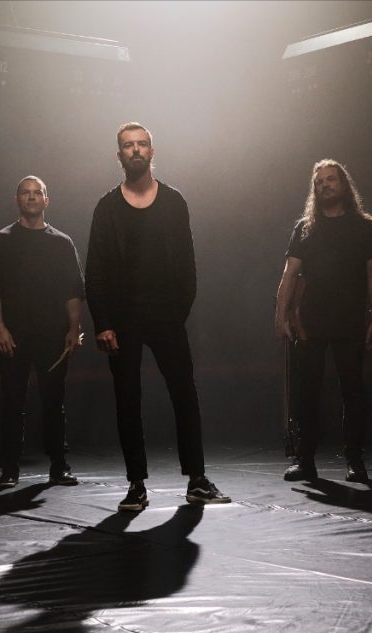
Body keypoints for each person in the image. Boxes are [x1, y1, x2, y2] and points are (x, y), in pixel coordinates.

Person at [85, 122, 230, 512]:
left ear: (152, 151)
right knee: (127, 399)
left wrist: (176, 312)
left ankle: (197, 480)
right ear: (119, 155)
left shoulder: (173, 202)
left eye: (142, 144)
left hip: (167, 315)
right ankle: (136, 485)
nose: (135, 150)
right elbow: (95, 271)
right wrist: (103, 322)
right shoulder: (106, 207)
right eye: (127, 145)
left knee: (184, 393)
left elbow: (187, 264)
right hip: (122, 319)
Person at [274, 160, 372, 484]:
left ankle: (355, 459)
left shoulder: (364, 226)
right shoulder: (305, 228)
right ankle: (305, 460)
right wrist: (281, 315)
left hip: (350, 320)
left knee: (352, 390)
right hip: (310, 322)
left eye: (331, 179)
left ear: (343, 184)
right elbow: (290, 273)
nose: (325, 185)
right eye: (319, 181)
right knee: (307, 392)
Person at [0, 176, 85, 488]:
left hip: (53, 335)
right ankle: (10, 468)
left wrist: (74, 328)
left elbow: (73, 291)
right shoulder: (0, 241)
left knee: (54, 401)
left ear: (46, 200)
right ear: (17, 200)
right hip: (14, 335)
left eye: (38, 193)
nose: (32, 197)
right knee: (13, 401)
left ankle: (59, 465)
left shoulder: (61, 242)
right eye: (26, 192)